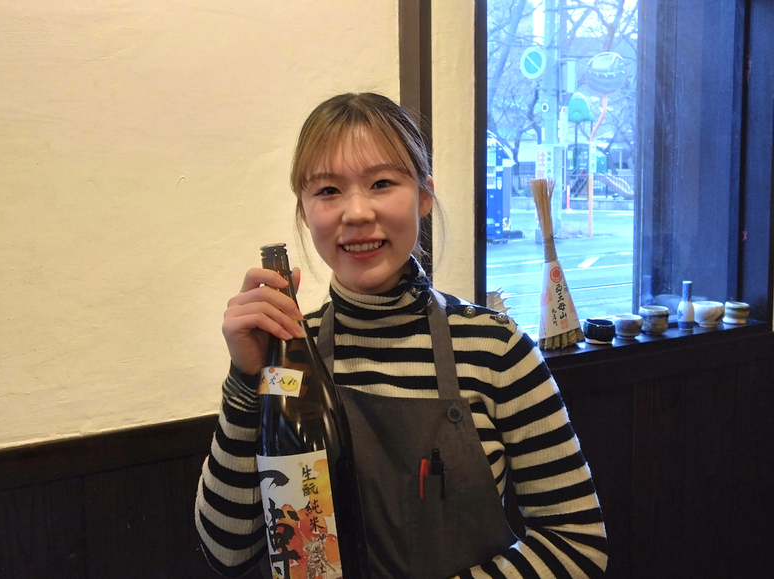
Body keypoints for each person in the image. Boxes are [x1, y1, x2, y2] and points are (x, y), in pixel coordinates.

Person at [195, 92, 608, 578]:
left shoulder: (495, 349)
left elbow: (577, 545)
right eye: (328, 190)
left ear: (424, 195)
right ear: (305, 212)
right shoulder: (289, 356)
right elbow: (228, 552)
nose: (356, 213)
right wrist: (245, 381)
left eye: (382, 183)